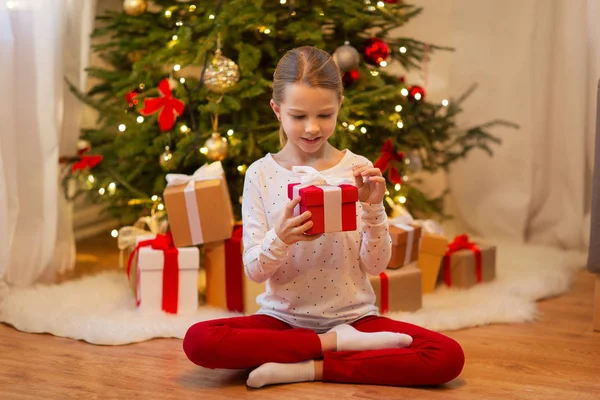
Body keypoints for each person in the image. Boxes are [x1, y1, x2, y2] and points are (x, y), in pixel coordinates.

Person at [183, 46, 464, 388]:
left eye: (325, 115)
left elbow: (376, 265)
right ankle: (329, 348)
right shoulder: (260, 174)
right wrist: (281, 237)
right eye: (298, 116)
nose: (312, 128)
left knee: (445, 356)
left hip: (355, 320)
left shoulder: (357, 169)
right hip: (282, 321)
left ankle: (307, 368)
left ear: (340, 106)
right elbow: (255, 272)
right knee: (199, 339)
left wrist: (374, 208)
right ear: (277, 110)